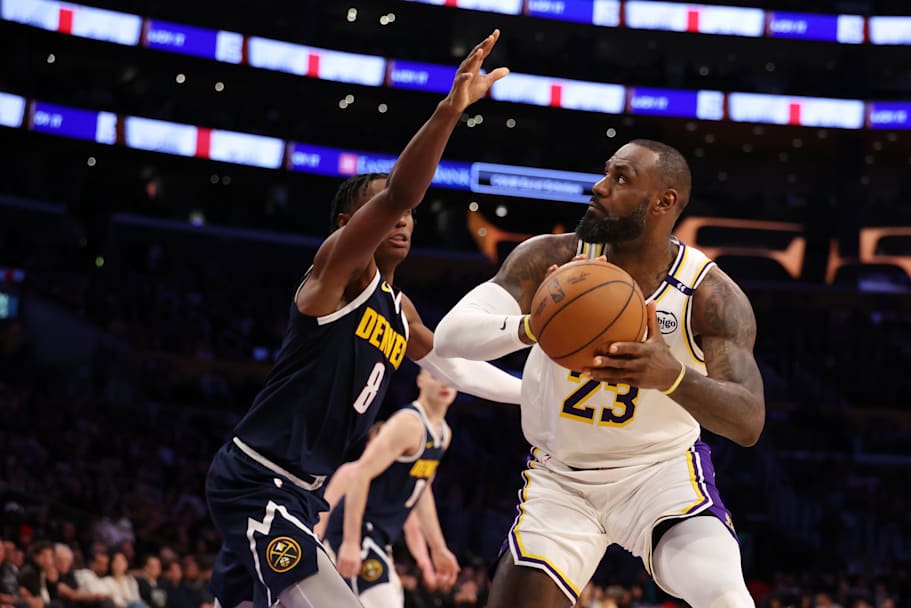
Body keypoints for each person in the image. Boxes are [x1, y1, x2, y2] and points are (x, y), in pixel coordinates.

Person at [204, 30, 513, 608]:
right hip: (258, 481)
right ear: (351, 222)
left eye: (409, 218)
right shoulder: (338, 272)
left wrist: (535, 392)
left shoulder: (401, 312)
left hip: (303, 492)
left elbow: (457, 368)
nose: (403, 220)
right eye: (384, 211)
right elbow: (399, 194)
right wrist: (450, 111)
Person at [433, 139, 766, 608]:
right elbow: (451, 337)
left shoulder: (708, 295)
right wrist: (535, 325)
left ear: (663, 202)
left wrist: (671, 377)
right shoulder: (548, 257)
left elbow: (749, 421)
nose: (599, 186)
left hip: (659, 475)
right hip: (561, 479)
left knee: (726, 598)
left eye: (621, 178)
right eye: (606, 172)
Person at [314, 369, 461, 606]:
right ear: (420, 380)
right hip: (358, 531)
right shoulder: (409, 423)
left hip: (380, 537)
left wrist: (438, 548)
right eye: (436, 376)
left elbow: (422, 492)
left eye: (450, 378)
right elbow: (360, 473)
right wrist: (351, 541)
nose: (444, 383)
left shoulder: (444, 433)